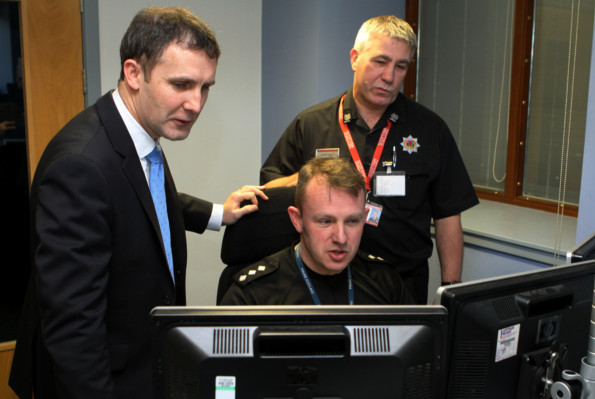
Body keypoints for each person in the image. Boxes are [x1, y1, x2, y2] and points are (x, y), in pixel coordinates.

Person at [9, 7, 266, 399]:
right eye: (181, 84)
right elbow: (74, 332)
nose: (196, 103)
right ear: (133, 73)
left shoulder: (134, 135)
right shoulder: (80, 166)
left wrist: (217, 214)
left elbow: (140, 199)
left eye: (205, 87)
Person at [260, 15, 479, 303]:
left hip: (401, 284)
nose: (389, 77)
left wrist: (452, 289)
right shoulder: (311, 124)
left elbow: (448, 213)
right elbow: (270, 193)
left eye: (401, 67)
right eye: (380, 61)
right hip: (323, 283)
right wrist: (311, 178)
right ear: (355, 58)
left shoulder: (430, 129)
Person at [221, 157, 414, 305]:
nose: (341, 238)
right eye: (325, 221)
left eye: (352, 221)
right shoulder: (253, 295)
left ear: (364, 217)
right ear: (297, 220)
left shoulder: (386, 283)